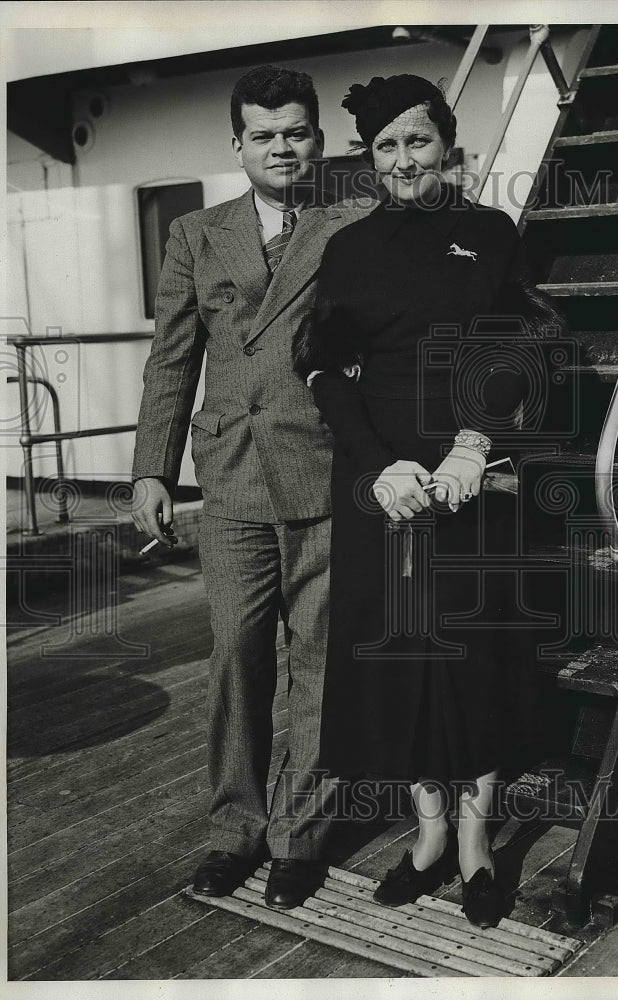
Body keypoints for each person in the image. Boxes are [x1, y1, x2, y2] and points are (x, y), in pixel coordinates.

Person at [294, 74, 562, 928]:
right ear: (368, 160)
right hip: (385, 486)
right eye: (386, 147)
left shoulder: (487, 235)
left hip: (469, 474)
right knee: (403, 661)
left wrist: (474, 446)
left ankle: (479, 843)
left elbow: (525, 342)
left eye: (418, 142)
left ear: (446, 145)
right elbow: (324, 370)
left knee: (474, 660)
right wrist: (378, 468)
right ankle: (428, 837)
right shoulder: (348, 248)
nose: (404, 160)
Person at [131, 65, 372, 909]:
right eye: (263, 135)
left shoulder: (354, 224)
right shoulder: (197, 234)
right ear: (237, 145)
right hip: (229, 476)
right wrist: (151, 470)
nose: (281, 147)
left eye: (296, 132)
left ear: (319, 140)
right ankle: (234, 830)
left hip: (323, 469)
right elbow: (172, 358)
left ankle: (300, 838)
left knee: (319, 663)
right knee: (236, 657)